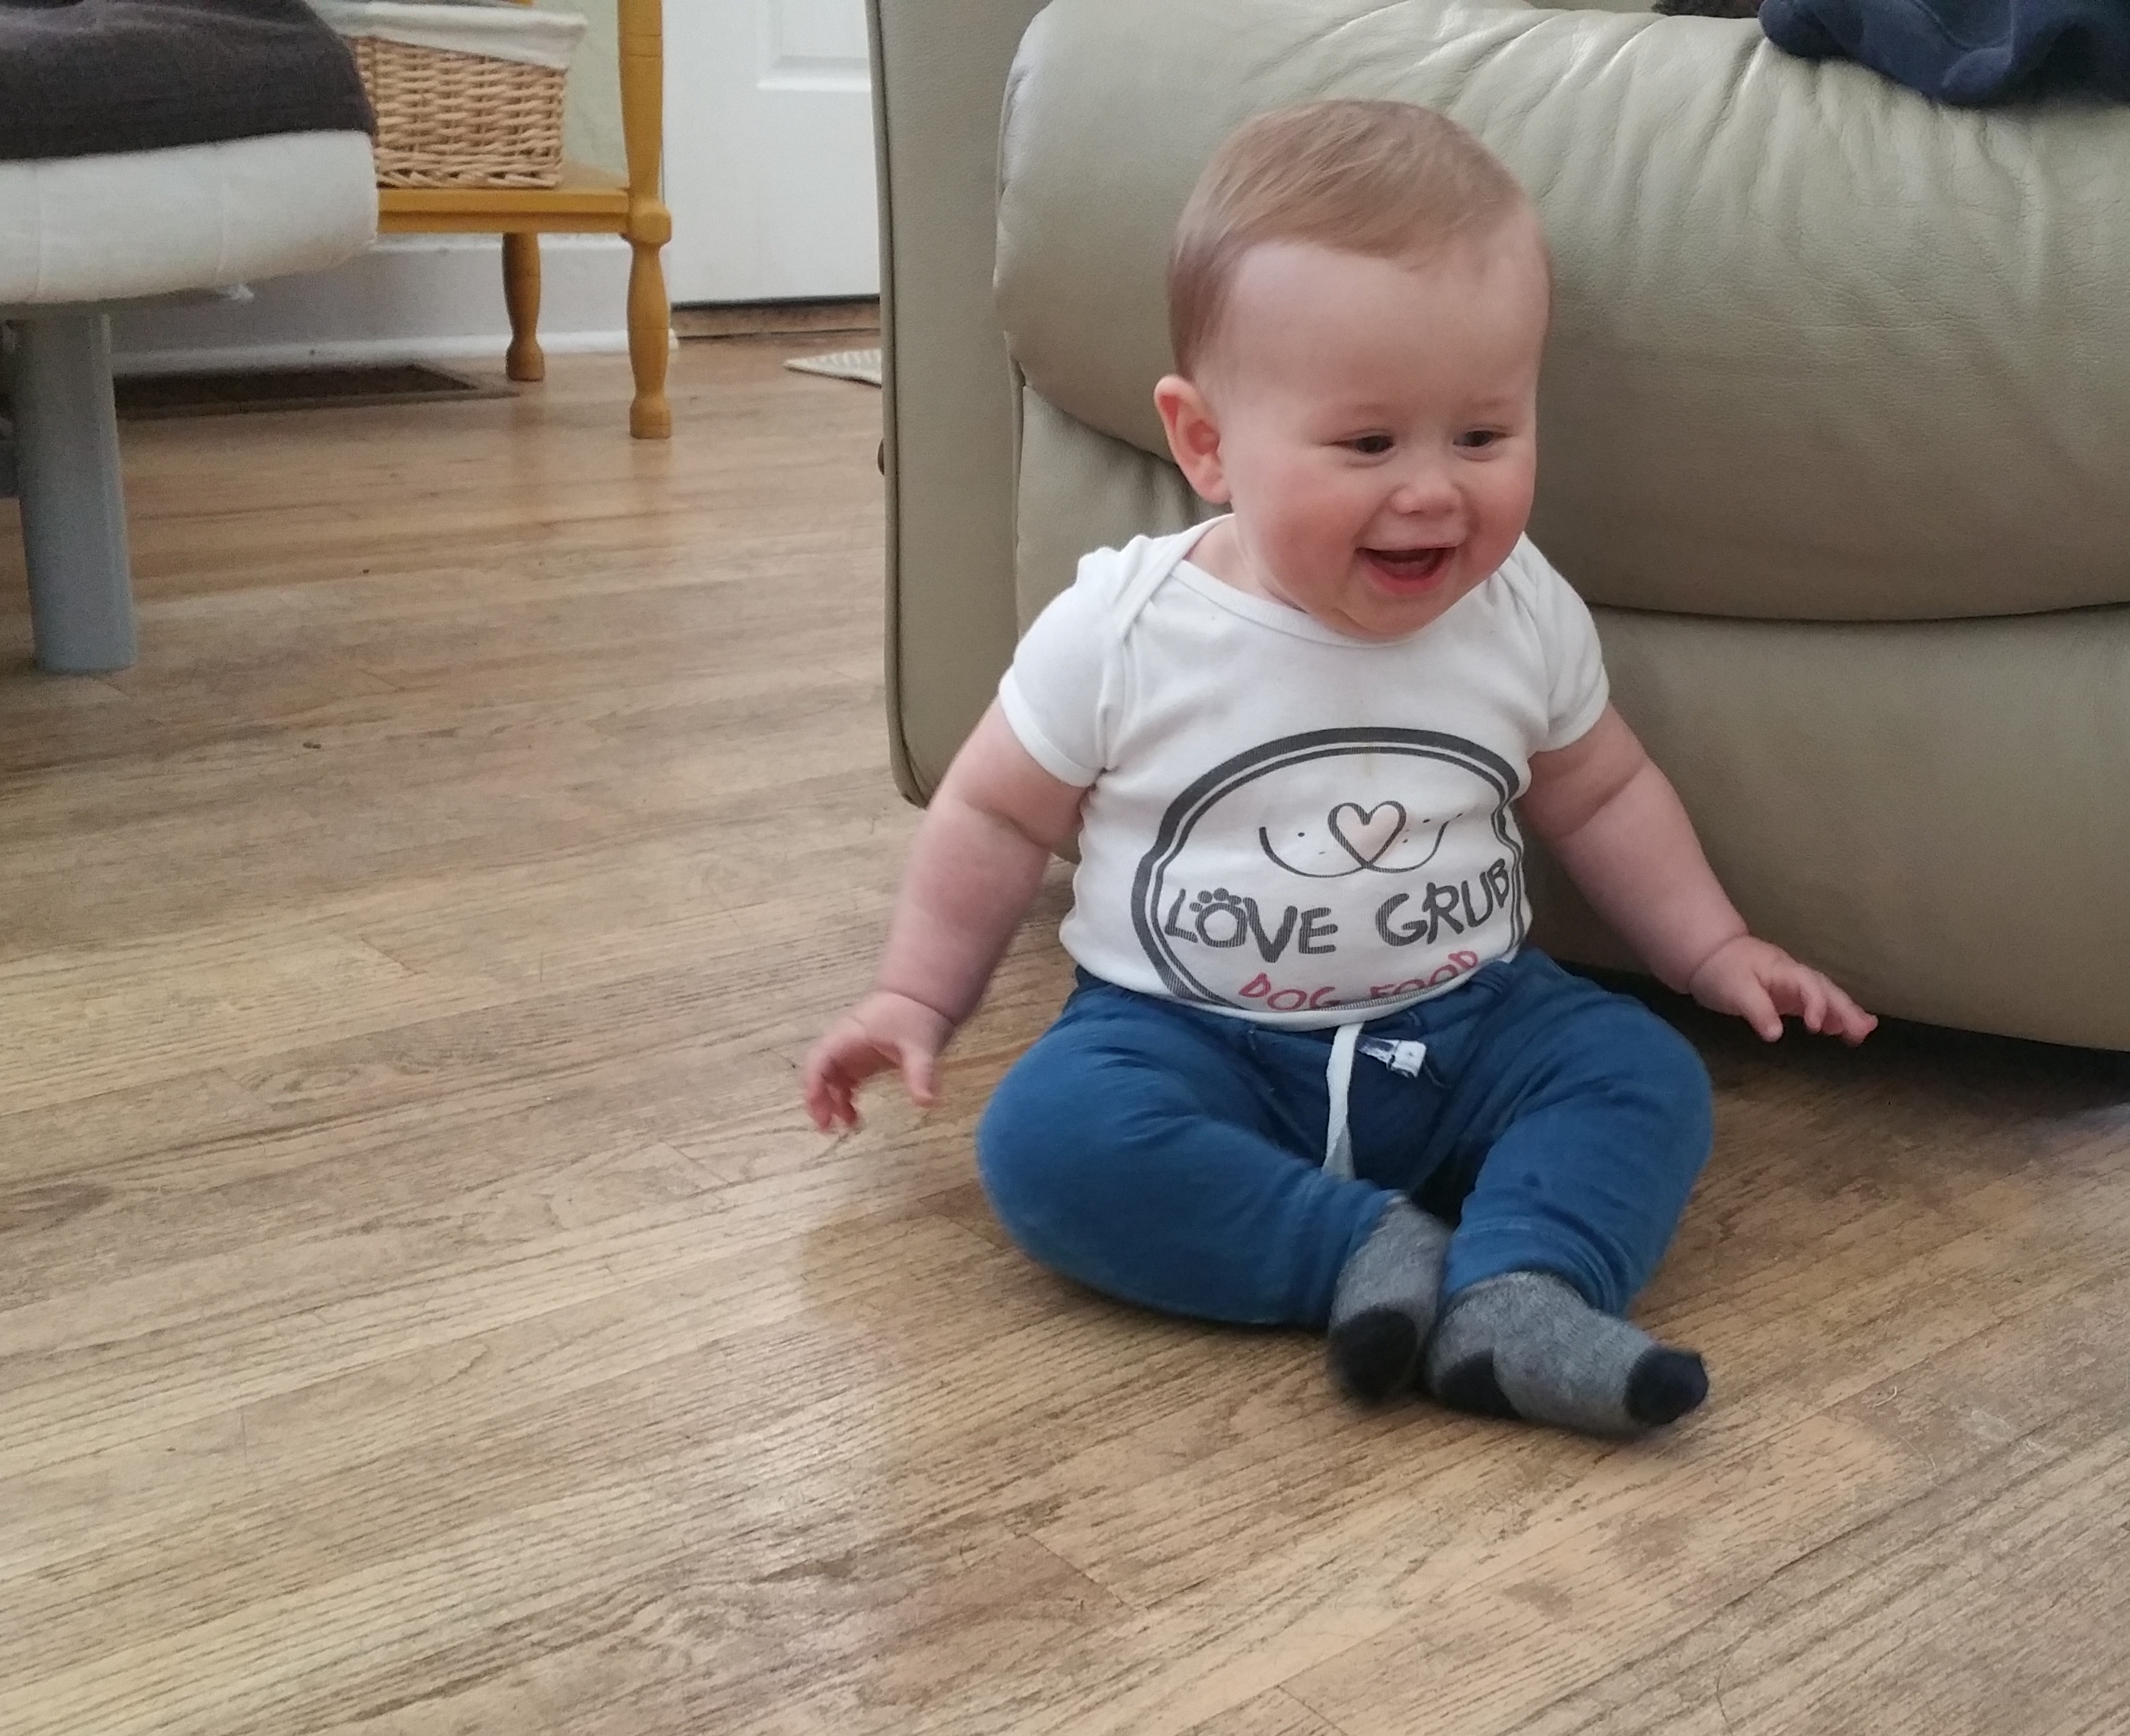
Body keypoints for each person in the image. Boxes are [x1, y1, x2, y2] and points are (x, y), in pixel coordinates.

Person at [801, 99, 1874, 1438]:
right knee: (1046, 1144)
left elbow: (1598, 789)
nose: (1431, 491)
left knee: (1639, 1074)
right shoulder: (1124, 629)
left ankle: (1522, 1291)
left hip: (1468, 1024)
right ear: (1206, 444)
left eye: (1481, 436)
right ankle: (1359, 1250)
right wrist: (916, 994)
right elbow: (995, 813)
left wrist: (1710, 948)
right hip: (1183, 1036)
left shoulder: (1522, 610)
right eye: (1368, 445)